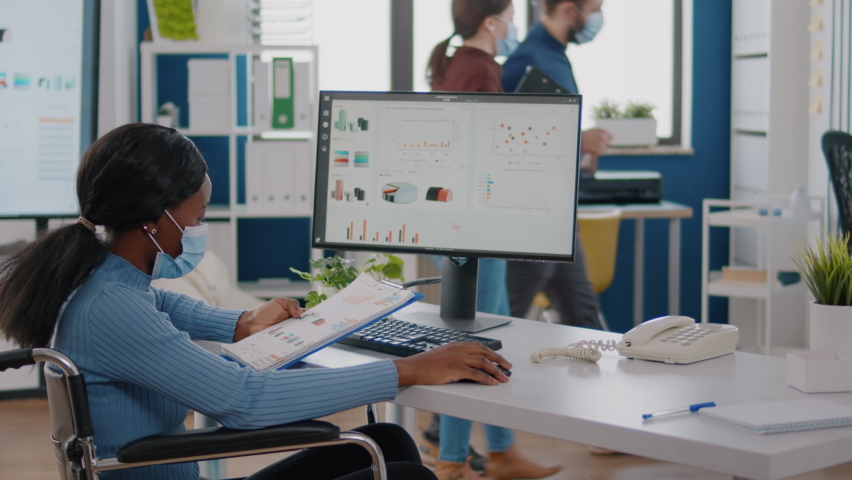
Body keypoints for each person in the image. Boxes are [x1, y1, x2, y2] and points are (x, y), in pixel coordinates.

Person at [0, 123, 514, 480]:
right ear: (154, 220)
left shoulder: (104, 280)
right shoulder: (110, 309)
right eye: (196, 220)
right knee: (398, 471)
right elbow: (246, 402)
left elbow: (171, 309)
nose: (199, 231)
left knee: (387, 443)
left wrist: (245, 321)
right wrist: (411, 370)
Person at [425, 2, 562, 479]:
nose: (512, 26)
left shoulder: (458, 64)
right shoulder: (480, 70)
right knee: (472, 344)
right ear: (491, 22)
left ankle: (501, 451)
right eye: (508, 15)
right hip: (478, 227)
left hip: (465, 224)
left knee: (492, 339)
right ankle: (452, 461)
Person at [499, 0, 611, 330]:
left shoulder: (553, 55)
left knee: (583, 315)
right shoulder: (531, 60)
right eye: (595, 8)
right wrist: (579, 140)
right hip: (532, 217)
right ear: (567, 9)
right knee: (503, 316)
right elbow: (508, 138)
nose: (597, 18)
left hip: (556, 217)